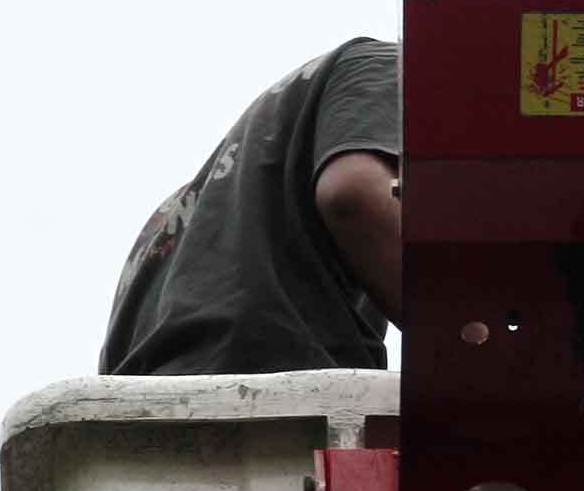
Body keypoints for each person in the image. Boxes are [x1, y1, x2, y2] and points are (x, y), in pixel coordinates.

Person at [99, 38, 403, 375]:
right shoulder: (390, 66)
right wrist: (461, 333)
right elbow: (353, 194)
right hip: (282, 387)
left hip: (155, 410)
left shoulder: (183, 214)